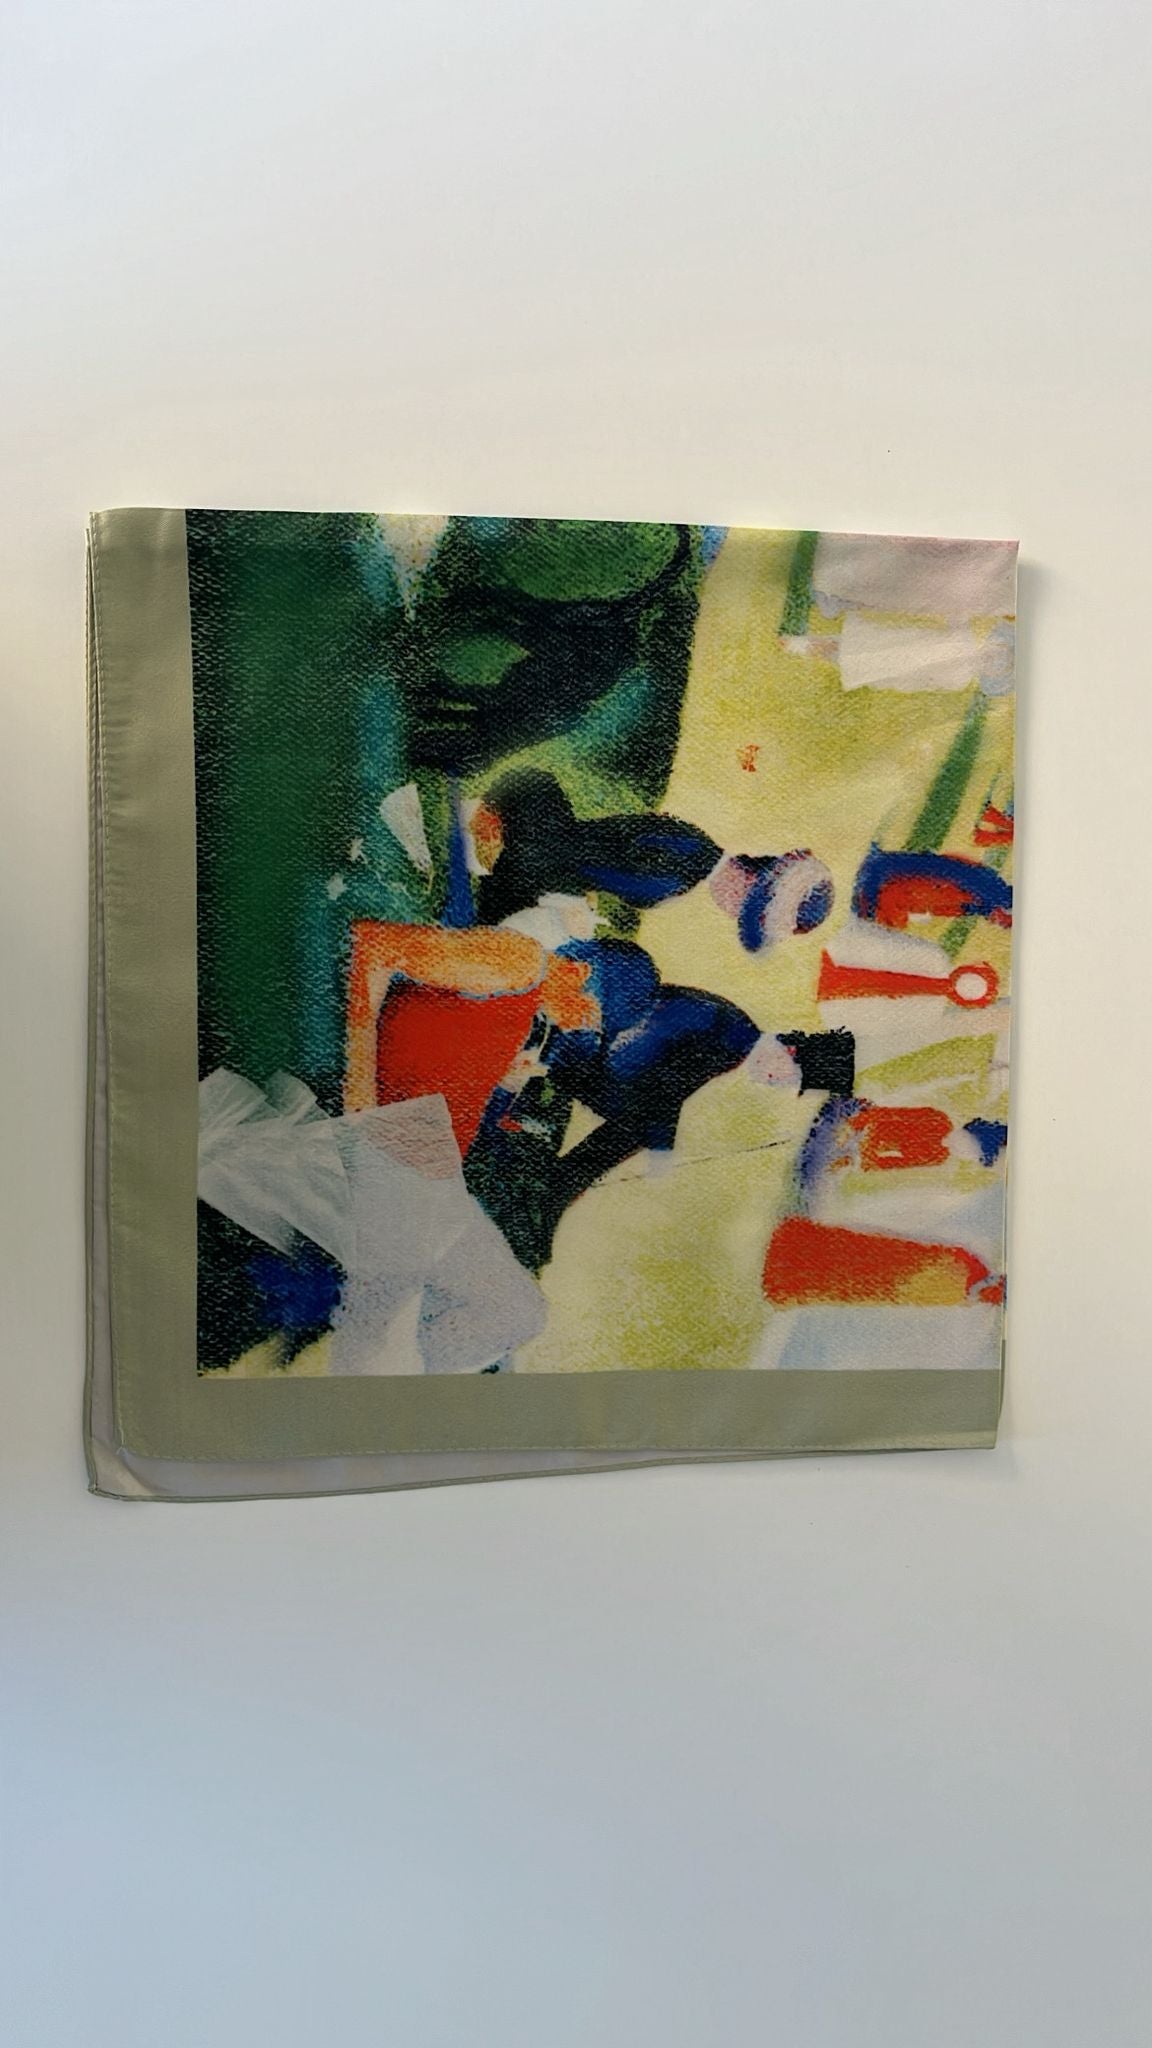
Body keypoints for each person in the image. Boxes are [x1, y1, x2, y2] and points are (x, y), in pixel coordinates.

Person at [470, 767, 834, 953]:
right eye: (743, 908)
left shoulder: (695, 847)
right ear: (748, 879)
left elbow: (601, 854)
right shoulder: (675, 874)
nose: (730, 912)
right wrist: (575, 903)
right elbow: (582, 861)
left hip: (555, 849)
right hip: (536, 857)